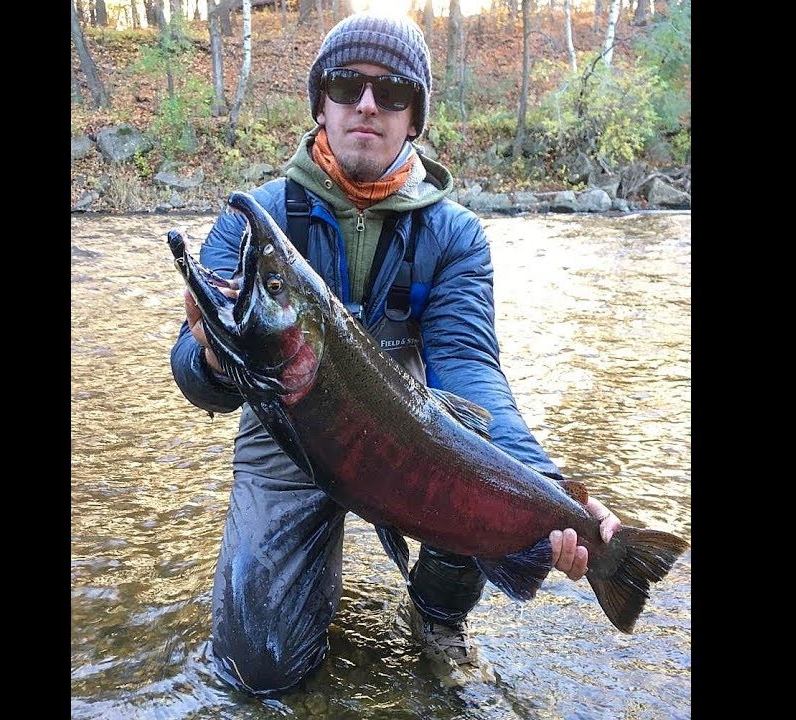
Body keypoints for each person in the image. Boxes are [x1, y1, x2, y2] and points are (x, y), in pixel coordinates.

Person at [169, 12, 621, 696]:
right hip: (287, 435)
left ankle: (439, 616)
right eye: (347, 85)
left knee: (464, 445)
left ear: (415, 119)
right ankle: (307, 590)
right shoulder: (252, 221)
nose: (368, 104)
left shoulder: (456, 235)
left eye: (395, 92)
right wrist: (212, 359)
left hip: (415, 437)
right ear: (321, 102)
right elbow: (192, 378)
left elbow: (470, 369)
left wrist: (546, 487)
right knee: (258, 672)